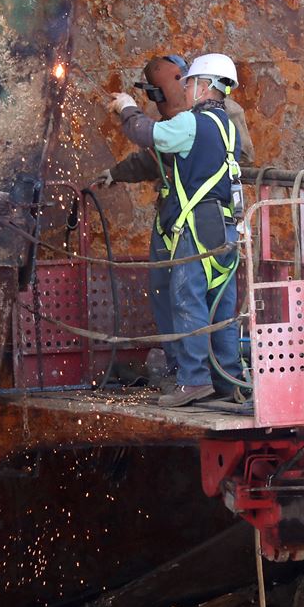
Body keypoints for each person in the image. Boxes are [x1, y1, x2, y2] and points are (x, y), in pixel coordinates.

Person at [99, 55, 253, 393]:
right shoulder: (226, 124)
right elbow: (157, 159)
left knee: (189, 301)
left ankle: (193, 380)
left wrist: (127, 108)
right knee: (222, 306)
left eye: (190, 83)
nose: (185, 89)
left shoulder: (191, 123)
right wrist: (119, 172)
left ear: (204, 85)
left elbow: (148, 134)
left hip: (196, 227)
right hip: (225, 226)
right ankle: (230, 381)